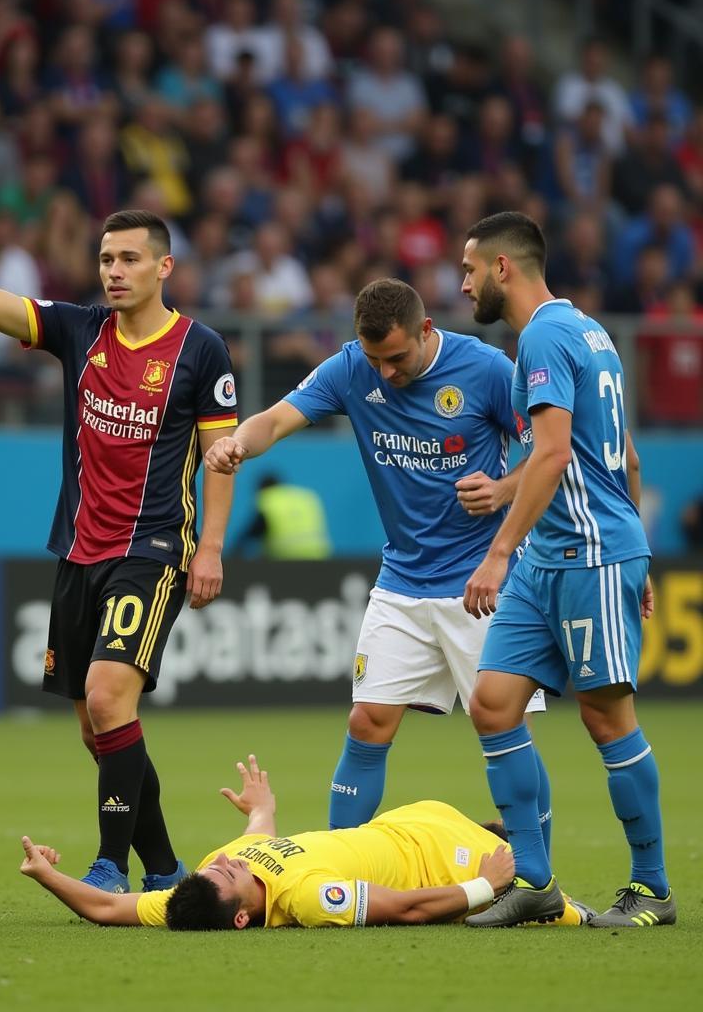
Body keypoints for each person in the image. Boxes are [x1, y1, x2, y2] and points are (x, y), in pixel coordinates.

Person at [0, 151, 237, 894]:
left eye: (130, 259)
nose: (114, 270)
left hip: (154, 548)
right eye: (106, 258)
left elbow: (221, 457)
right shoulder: (78, 331)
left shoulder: (200, 351)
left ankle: (110, 865)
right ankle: (165, 865)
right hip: (76, 551)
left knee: (108, 698)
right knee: (98, 724)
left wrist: (212, 551)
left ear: (164, 268)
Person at [204, 278, 549, 836]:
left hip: (483, 581)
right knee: (367, 722)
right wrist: (237, 443)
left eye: (397, 357)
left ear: (426, 331)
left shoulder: (485, 369)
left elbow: (551, 451)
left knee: (502, 726)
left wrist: (505, 489)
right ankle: (339, 865)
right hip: (403, 581)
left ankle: (538, 877)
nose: (386, 372)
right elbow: (274, 419)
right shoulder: (349, 368)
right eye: (374, 359)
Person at [459, 211, 674, 929]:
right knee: (492, 701)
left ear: (503, 269)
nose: (463, 285)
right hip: (558, 554)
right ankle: (536, 882)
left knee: (606, 715)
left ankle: (653, 890)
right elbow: (620, 453)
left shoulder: (544, 337)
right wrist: (637, 547)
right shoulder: (588, 331)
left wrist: (495, 552)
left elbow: (554, 457)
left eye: (469, 270)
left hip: (585, 552)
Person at [19, 754, 593, 929]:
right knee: (562, 911)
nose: (221, 860)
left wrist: (47, 875)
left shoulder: (208, 881)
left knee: (513, 828)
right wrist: (481, 887)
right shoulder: (311, 900)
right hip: (442, 857)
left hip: (413, 816)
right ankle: (604, 915)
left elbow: (104, 906)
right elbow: (410, 909)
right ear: (243, 917)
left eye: (212, 866)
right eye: (226, 874)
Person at [235, 473, 331, 558]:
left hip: (284, 557)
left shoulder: (268, 499)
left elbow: (254, 530)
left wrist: (236, 549)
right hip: (318, 555)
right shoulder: (307, 496)